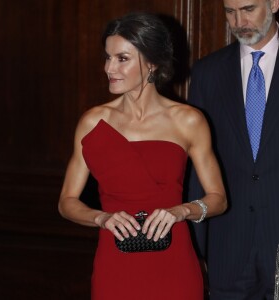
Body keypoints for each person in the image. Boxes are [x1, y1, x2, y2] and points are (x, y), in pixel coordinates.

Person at [58, 12, 227, 300]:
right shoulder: (93, 122)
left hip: (174, 266)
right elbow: (66, 202)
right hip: (116, 264)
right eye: (108, 57)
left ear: (152, 64)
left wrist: (182, 210)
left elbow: (218, 199)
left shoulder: (187, 120)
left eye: (121, 58)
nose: (109, 68)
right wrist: (101, 218)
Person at [187, 0, 279, 299]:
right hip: (228, 247)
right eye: (230, 11)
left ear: (274, 3)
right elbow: (198, 170)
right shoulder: (207, 73)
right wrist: (197, 248)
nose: (238, 20)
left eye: (248, 8)